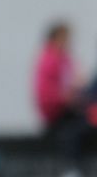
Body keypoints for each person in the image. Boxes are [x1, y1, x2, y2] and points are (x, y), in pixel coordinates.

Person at [34, 21, 91, 175]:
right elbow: (46, 93)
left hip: (71, 108)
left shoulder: (66, 59)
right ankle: (70, 168)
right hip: (57, 111)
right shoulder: (49, 59)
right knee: (72, 131)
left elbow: (76, 83)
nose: (67, 42)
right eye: (64, 38)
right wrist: (67, 98)